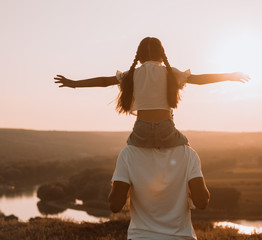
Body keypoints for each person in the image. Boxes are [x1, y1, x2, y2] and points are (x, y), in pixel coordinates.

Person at [54, 37, 249, 148]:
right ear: (162, 55)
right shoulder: (170, 72)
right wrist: (229, 76)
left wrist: (74, 84)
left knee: (128, 155)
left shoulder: (132, 74)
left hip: (140, 130)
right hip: (166, 129)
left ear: (138, 57)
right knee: (188, 155)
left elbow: (104, 82)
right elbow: (199, 79)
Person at [108, 144, 209, 240]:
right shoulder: (189, 154)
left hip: (141, 237)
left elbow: (115, 205)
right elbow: (202, 202)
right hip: (180, 237)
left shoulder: (128, 153)